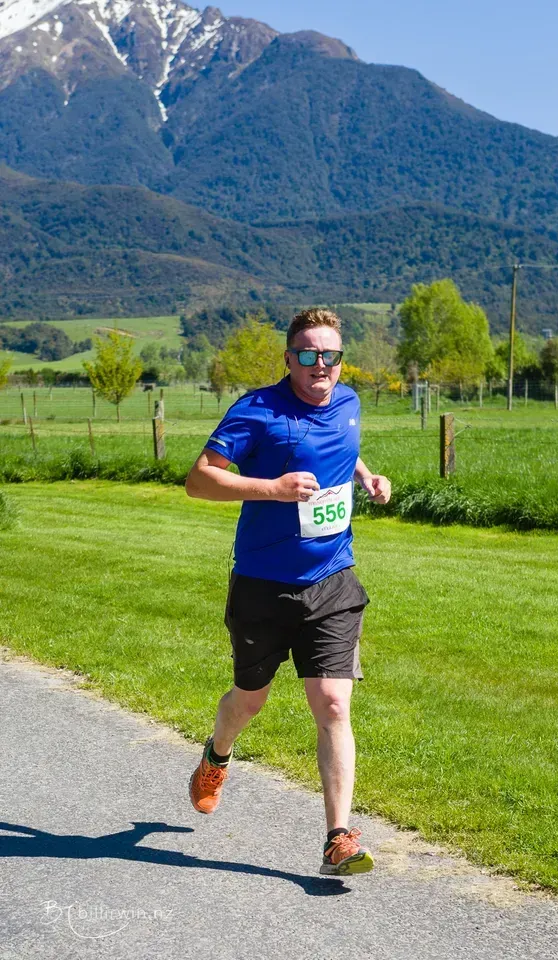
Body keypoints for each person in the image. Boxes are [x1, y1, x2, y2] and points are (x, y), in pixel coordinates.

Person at [184, 308, 391, 876]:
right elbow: (199, 480)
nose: (319, 365)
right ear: (288, 358)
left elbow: (339, 451)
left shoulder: (347, 402)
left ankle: (338, 837)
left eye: (330, 355)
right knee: (248, 699)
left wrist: (365, 477)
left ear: (341, 360)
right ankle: (216, 755)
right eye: (307, 354)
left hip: (332, 579)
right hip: (262, 585)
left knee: (331, 703)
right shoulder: (257, 411)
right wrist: (271, 488)